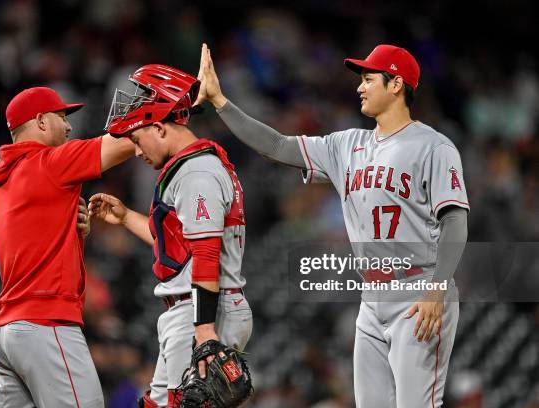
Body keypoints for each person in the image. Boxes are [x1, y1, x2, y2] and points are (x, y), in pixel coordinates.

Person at [197, 43, 469, 407]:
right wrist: (220, 102)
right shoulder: (347, 144)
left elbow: (454, 219)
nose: (360, 86)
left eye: (369, 78)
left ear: (396, 85)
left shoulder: (434, 146)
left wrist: (436, 288)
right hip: (371, 297)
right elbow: (277, 145)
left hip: (419, 288)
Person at [89, 64, 252, 408]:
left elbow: (207, 252)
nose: (135, 151)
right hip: (198, 307)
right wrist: (125, 218)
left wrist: (204, 332)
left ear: (160, 128)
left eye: (137, 139)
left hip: (203, 310)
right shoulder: (193, 167)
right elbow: (183, 247)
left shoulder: (197, 171)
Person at [0, 86, 136, 408]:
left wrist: (71, 224)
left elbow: (34, 231)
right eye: (61, 117)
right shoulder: (50, 163)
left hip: (4, 333)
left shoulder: (1, 178)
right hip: (46, 325)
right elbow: (126, 144)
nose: (69, 126)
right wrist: (163, 118)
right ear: (40, 121)